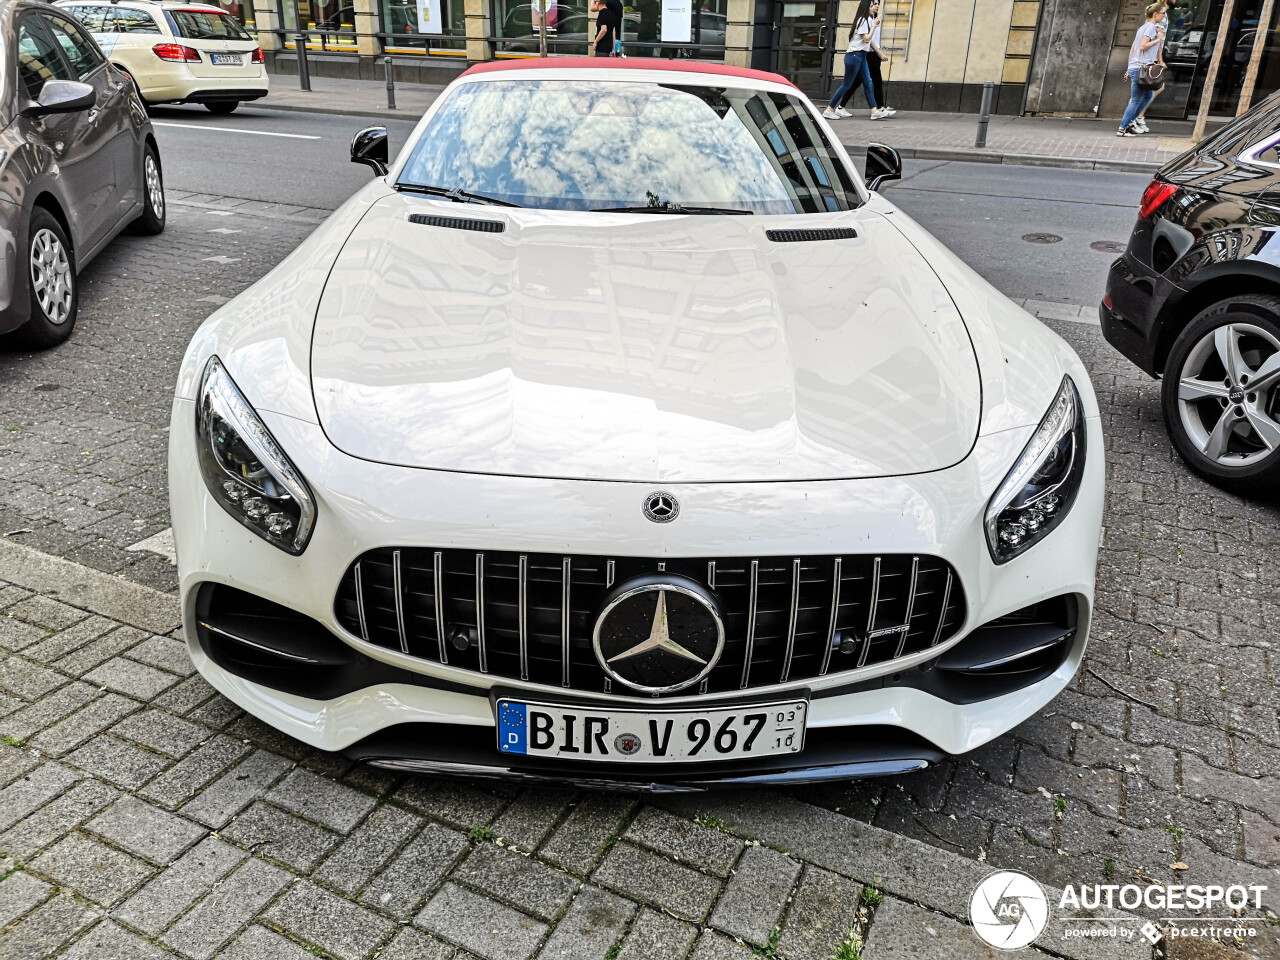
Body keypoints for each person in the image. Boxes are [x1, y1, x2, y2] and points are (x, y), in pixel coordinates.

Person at [824, 0, 888, 120]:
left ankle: (874, 112)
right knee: (846, 84)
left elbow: (869, 42)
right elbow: (867, 39)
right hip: (854, 56)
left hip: (861, 56)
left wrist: (879, 53)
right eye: (871, 5)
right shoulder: (862, 20)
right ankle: (829, 109)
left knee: (868, 83)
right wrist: (874, 25)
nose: (874, 7)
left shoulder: (865, 20)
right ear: (865, 7)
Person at [838, 0, 895, 117]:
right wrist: (880, 53)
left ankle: (841, 107)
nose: (876, 6)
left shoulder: (874, 19)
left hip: (872, 54)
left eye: (878, 4)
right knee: (873, 81)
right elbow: (868, 39)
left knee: (860, 82)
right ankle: (879, 108)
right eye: (874, 4)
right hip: (868, 54)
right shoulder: (867, 20)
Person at [1118, 3, 1167, 137]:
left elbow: (1133, 48)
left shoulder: (1143, 27)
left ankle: (1128, 124)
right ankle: (1123, 128)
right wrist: (1158, 40)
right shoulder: (1150, 27)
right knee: (1136, 100)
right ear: (1155, 14)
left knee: (1147, 96)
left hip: (1137, 67)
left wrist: (1129, 68)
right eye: (1163, 13)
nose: (1164, 15)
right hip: (1141, 68)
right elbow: (1142, 46)